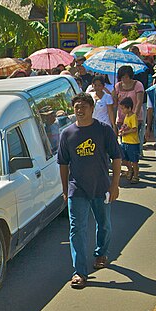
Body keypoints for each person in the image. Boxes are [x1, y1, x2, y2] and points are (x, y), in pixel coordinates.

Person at [58, 93, 121, 290]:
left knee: (104, 224)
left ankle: (101, 253)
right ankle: (79, 272)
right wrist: (65, 189)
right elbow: (63, 164)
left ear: (92, 109)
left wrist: (115, 185)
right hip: (77, 189)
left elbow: (116, 158)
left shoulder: (103, 131)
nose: (80, 109)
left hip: (101, 187)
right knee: (77, 229)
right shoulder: (67, 134)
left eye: (84, 106)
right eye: (77, 106)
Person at [113, 65, 145, 155]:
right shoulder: (117, 86)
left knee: (132, 141)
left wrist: (134, 116)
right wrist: (114, 96)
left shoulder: (138, 85)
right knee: (123, 142)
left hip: (134, 118)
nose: (124, 79)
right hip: (121, 118)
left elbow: (139, 101)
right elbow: (115, 104)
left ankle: (134, 159)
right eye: (122, 77)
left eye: (126, 77)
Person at [117, 97, 140, 184]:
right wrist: (121, 131)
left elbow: (134, 129)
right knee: (124, 159)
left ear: (129, 108)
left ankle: (136, 175)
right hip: (125, 141)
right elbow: (125, 126)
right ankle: (130, 170)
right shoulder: (126, 117)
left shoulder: (133, 117)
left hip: (132, 142)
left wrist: (125, 133)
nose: (122, 110)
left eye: (123, 108)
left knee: (134, 161)